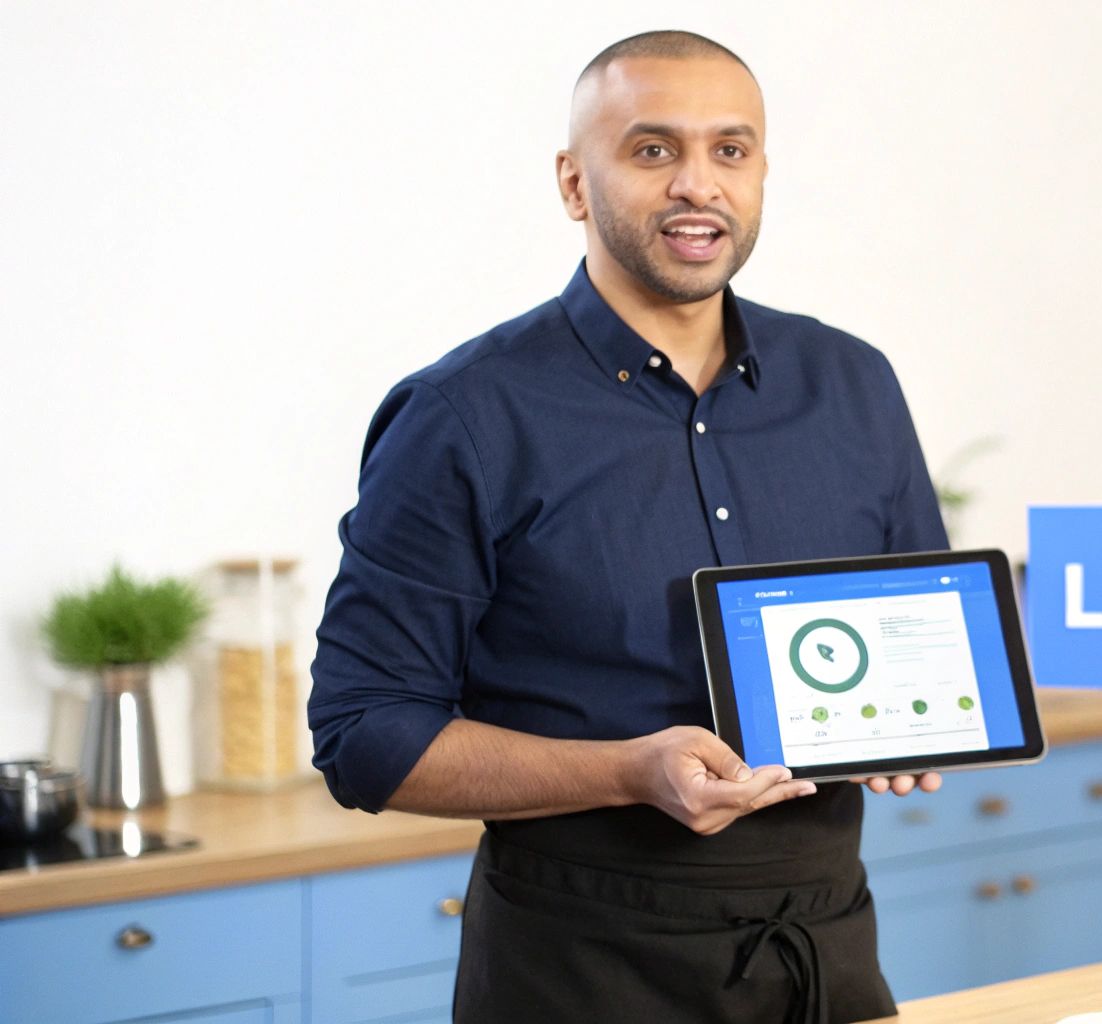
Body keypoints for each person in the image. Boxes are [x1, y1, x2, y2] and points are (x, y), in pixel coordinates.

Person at [307, 29, 947, 1024]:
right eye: (653, 151)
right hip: (579, 964)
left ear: (761, 171)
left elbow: (916, 633)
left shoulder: (852, 383)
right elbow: (363, 734)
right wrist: (624, 771)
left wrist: (922, 716)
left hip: (826, 945)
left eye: (729, 150)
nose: (698, 185)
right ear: (574, 182)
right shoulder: (465, 413)